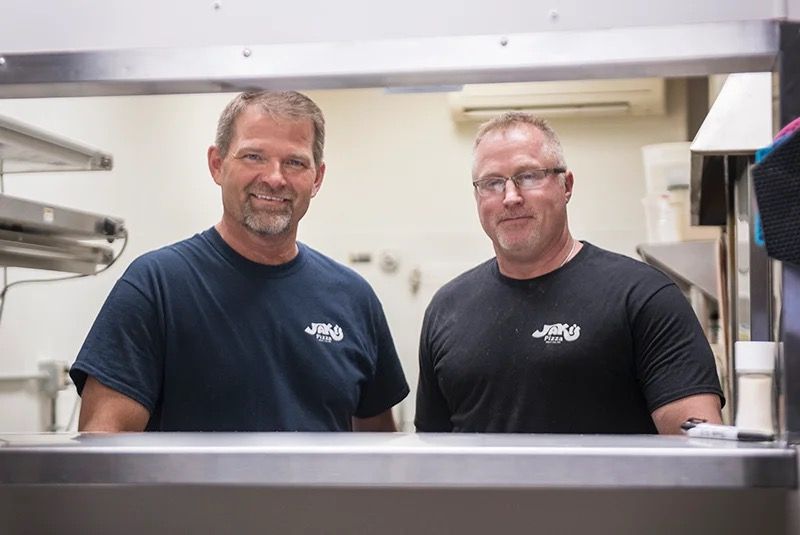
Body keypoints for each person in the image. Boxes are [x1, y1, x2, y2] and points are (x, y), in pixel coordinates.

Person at [70, 90, 409, 432]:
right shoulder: (156, 287)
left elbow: (380, 456)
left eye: (294, 162)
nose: (275, 178)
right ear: (217, 164)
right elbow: (103, 453)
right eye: (253, 156)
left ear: (317, 178)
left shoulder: (353, 298)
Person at [415, 112, 723, 434]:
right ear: (477, 196)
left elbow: (697, 450)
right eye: (492, 183)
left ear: (567, 185)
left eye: (529, 176)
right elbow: (431, 456)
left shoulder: (643, 297)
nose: (510, 197)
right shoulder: (446, 309)